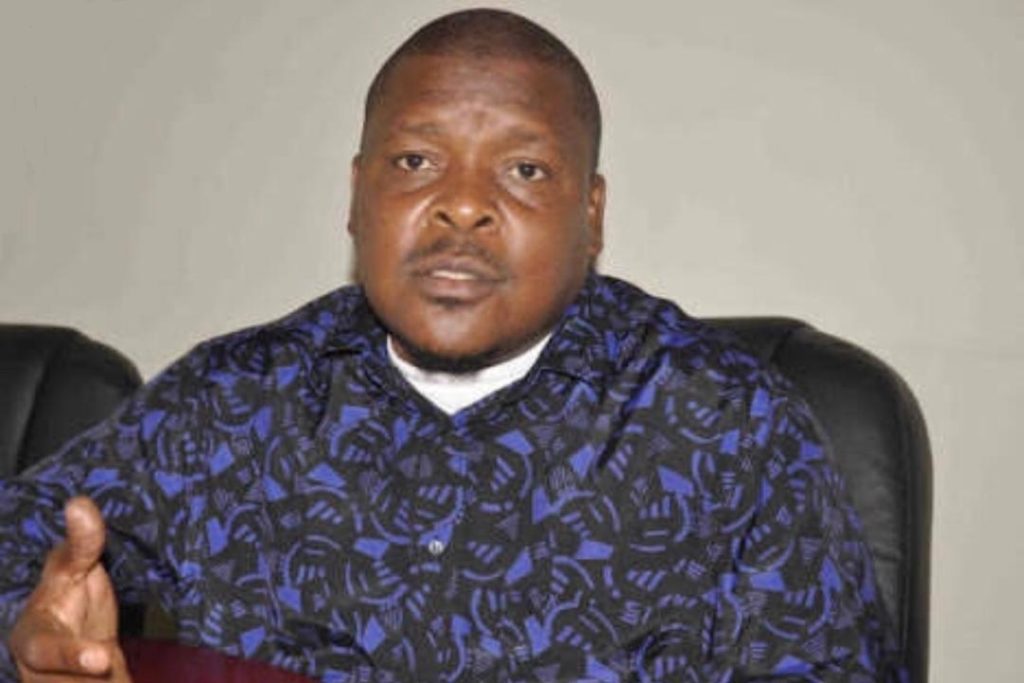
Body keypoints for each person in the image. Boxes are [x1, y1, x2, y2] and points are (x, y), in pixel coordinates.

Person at [0, 8, 903, 682]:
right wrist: (25, 636)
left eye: (524, 169)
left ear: (591, 215)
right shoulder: (230, 401)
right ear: (357, 195)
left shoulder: (729, 425)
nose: (463, 206)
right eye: (416, 162)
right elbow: (24, 546)